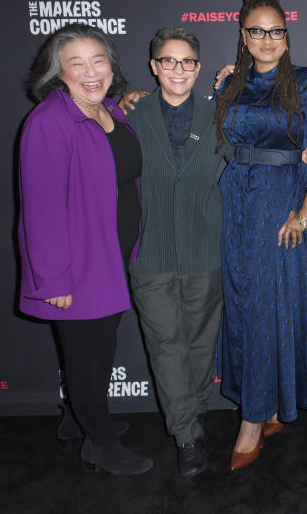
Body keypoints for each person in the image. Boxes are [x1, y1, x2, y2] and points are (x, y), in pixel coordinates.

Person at [17, 23, 151, 475]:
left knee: (98, 348)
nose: (91, 71)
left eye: (99, 60)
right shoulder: (49, 122)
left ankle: (76, 421)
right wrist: (54, 279)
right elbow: (42, 210)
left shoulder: (110, 109)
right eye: (77, 63)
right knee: (88, 355)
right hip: (79, 264)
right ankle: (101, 443)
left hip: (112, 256)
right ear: (58, 72)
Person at [215, 0, 307, 470]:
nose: (267, 40)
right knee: (245, 309)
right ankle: (266, 402)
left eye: (276, 32)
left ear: (287, 36)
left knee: (271, 308)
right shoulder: (229, 84)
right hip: (235, 203)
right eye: (257, 32)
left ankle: (254, 418)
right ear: (243, 36)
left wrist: (305, 213)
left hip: (282, 204)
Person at [122, 27, 229, 478]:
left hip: (205, 251)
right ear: (154, 66)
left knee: (201, 346)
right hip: (151, 255)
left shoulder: (219, 114)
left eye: (187, 61)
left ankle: (192, 413)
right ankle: (187, 437)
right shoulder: (129, 114)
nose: (178, 69)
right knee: (167, 346)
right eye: (169, 60)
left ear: (199, 68)